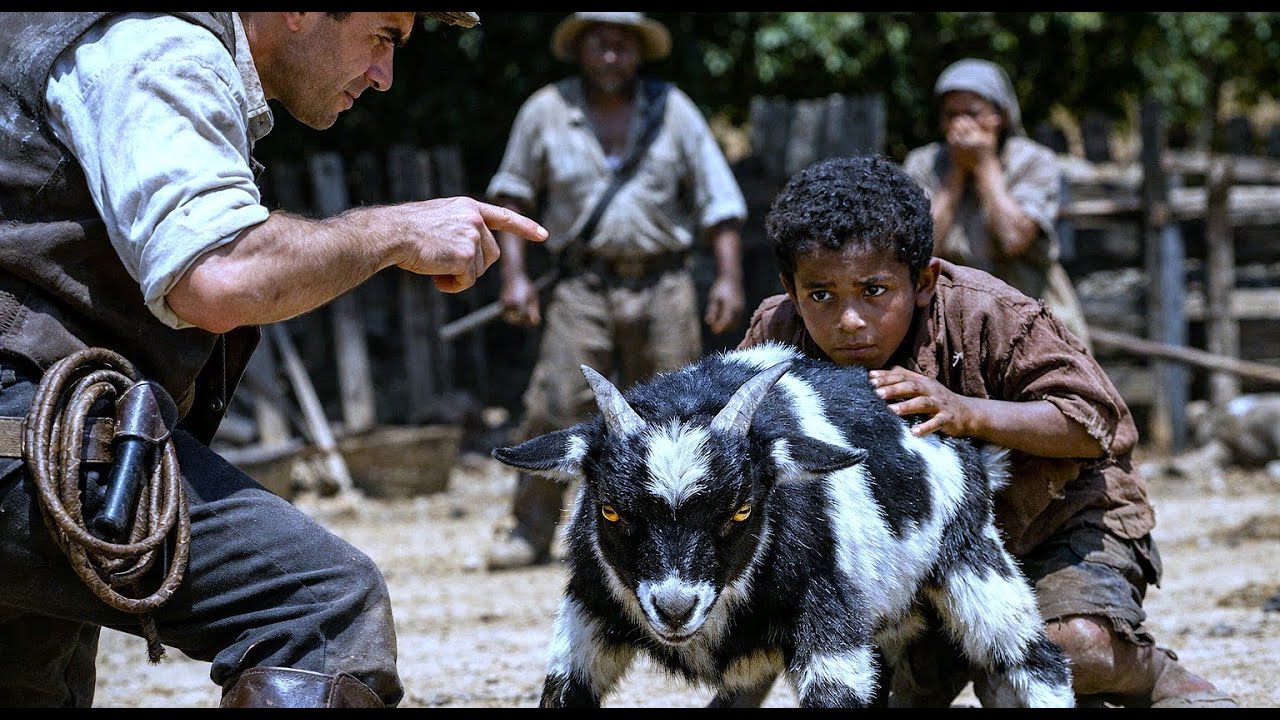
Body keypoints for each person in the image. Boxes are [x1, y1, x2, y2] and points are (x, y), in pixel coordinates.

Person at [0, 12, 547, 708]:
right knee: (321, 609)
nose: (385, 76)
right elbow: (219, 276)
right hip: (24, 436)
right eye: (383, 34)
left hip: (37, 440)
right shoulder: (159, 47)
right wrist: (397, 230)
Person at [725, 154, 1237, 708]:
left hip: (1053, 524)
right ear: (791, 288)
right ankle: (970, 659)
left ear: (922, 281)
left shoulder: (990, 314)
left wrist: (968, 411)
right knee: (867, 686)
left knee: (1067, 653)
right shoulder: (775, 338)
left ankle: (1154, 677)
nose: (849, 320)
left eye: (874, 291)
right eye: (820, 295)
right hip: (911, 560)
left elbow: (1096, 424)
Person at [482, 12, 748, 571]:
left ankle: (692, 533)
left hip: (666, 284)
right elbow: (514, 198)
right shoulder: (546, 111)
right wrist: (515, 276)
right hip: (582, 287)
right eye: (600, 44)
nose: (610, 56)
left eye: (622, 45)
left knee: (685, 413)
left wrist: (727, 277)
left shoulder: (674, 111)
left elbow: (719, 200)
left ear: (639, 52)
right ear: (579, 49)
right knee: (555, 404)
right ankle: (530, 531)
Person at [903, 57, 1093, 352]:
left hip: (1032, 318)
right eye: (952, 114)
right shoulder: (924, 164)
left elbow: (1013, 238)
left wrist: (984, 166)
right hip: (950, 328)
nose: (961, 125)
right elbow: (921, 246)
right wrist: (955, 176)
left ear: (1000, 115)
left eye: (973, 113)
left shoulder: (1033, 161)